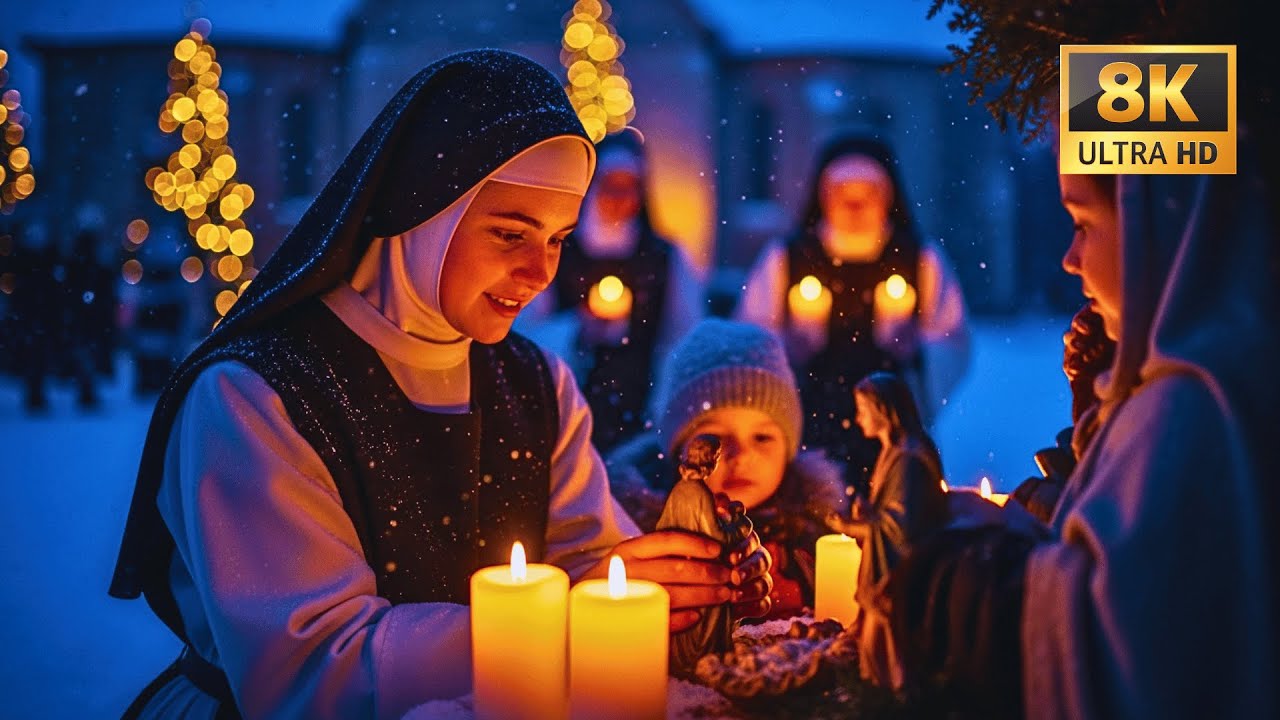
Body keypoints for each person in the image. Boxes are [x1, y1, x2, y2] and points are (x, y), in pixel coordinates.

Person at [108, 50, 771, 720]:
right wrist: (565, 621)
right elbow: (311, 673)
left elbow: (591, 565)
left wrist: (669, 597)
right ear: (425, 213)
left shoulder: (539, 382)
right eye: (511, 233)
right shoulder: (257, 395)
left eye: (559, 238)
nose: (541, 272)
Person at [890, 151, 1279, 719]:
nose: (1070, 259)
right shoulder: (1204, 386)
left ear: (1162, 222)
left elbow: (1132, 640)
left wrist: (966, 575)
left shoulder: (1192, 413)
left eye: (1083, 224)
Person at [735, 133, 971, 493]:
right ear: (824, 195)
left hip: (894, 428)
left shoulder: (919, 259)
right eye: (844, 193)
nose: (855, 205)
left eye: (868, 193)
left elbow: (952, 339)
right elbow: (749, 336)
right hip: (807, 424)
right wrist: (785, 350)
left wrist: (919, 352)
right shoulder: (787, 258)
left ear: (888, 197)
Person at [609, 317, 847, 622]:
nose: (741, 455)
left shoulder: (815, 540)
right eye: (716, 438)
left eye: (762, 437)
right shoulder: (639, 539)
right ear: (680, 451)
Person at [516, 128, 703, 452]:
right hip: (567, 400)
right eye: (609, 186)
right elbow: (525, 328)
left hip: (641, 403)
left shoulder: (663, 257)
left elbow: (684, 333)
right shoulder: (561, 248)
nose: (618, 198)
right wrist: (576, 328)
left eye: (628, 188)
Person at [823, 371, 949, 690]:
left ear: (883, 410)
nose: (858, 418)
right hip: (889, 569)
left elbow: (901, 527)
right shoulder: (893, 452)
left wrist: (853, 526)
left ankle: (892, 689)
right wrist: (869, 514)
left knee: (890, 641)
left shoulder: (908, 458)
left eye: (863, 410)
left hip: (899, 577)